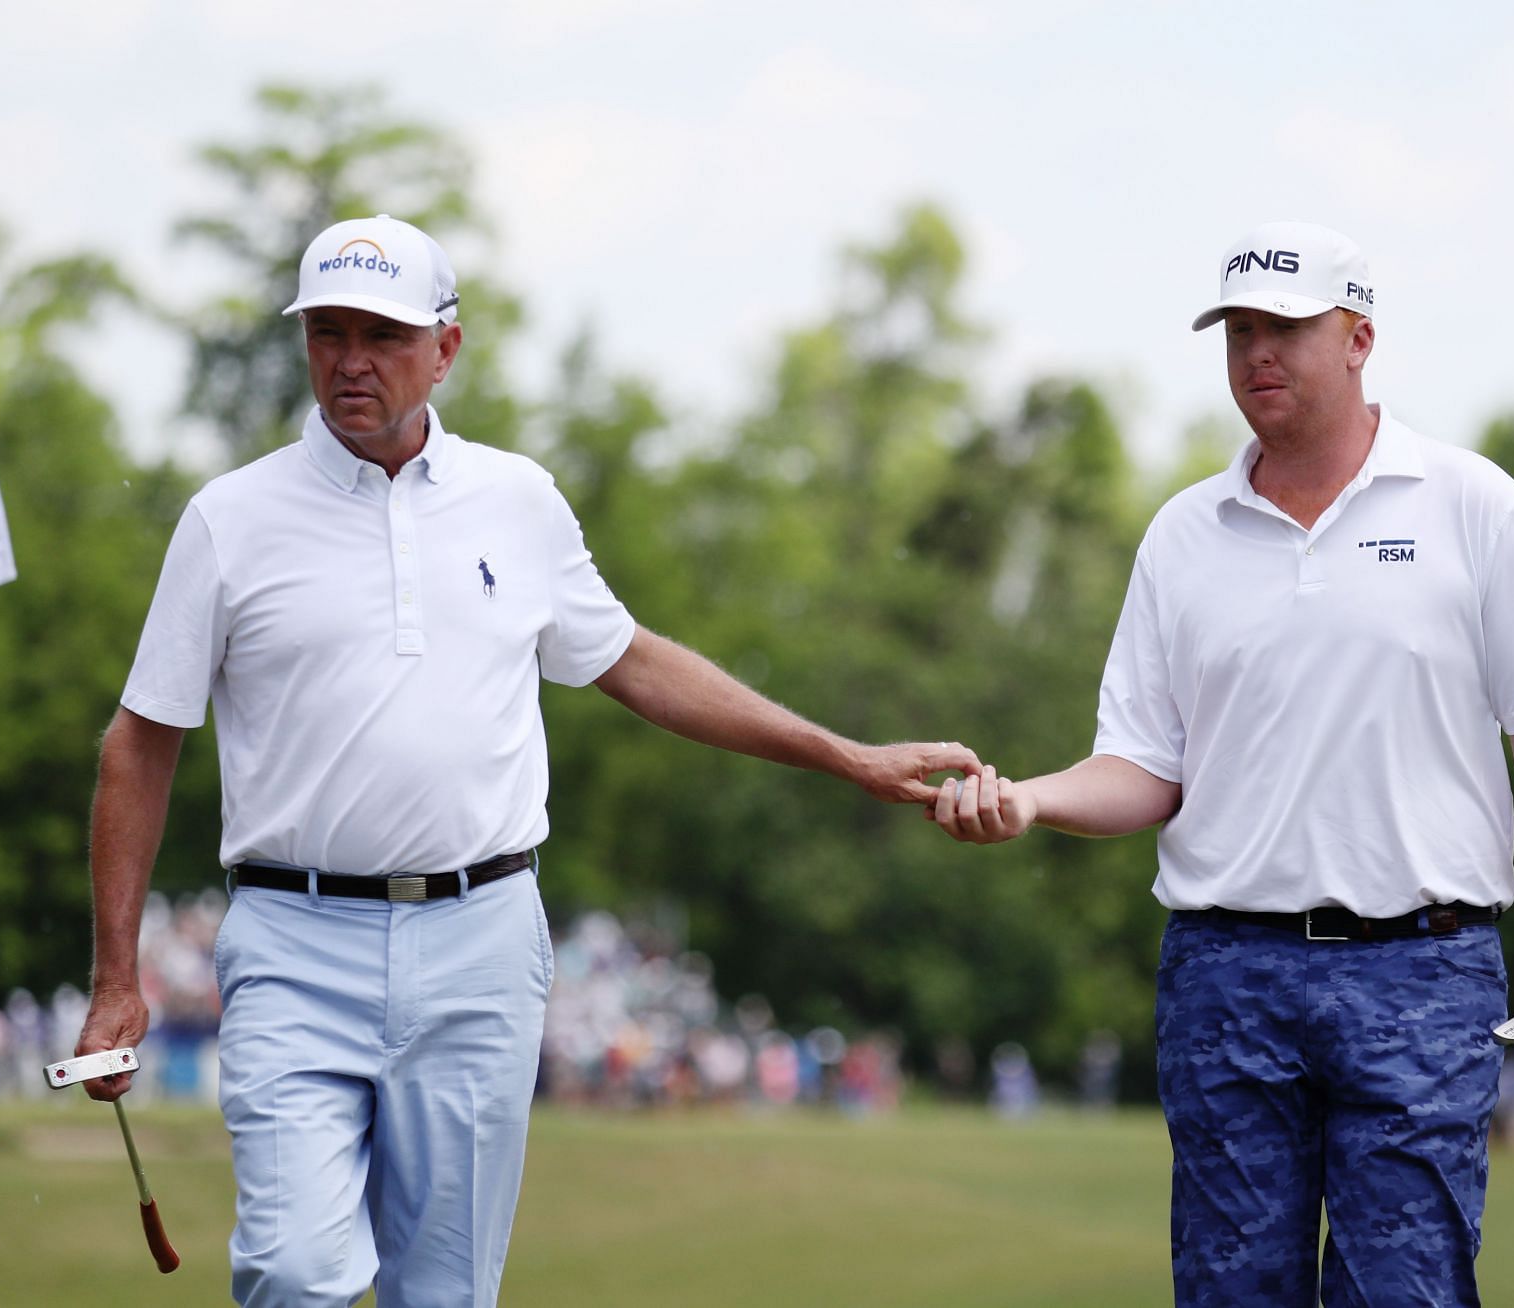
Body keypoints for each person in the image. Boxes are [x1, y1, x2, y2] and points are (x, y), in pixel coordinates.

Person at [73, 213, 978, 1307]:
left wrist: (848, 757)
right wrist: (117, 977)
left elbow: (633, 662)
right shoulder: (231, 519)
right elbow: (142, 740)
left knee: (444, 1293)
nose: (349, 361)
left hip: (480, 944)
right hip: (295, 943)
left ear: (446, 349)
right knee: (294, 1272)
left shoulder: (518, 500)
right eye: (326, 333)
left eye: (382, 335)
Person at [932, 221, 1514, 1306]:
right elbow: (1145, 767)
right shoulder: (1182, 535)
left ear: (1358, 336)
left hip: (1423, 975)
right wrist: (1031, 802)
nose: (1258, 353)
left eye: (1286, 328)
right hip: (1227, 978)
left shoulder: (1474, 507)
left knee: (1408, 1295)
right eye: (1240, 330)